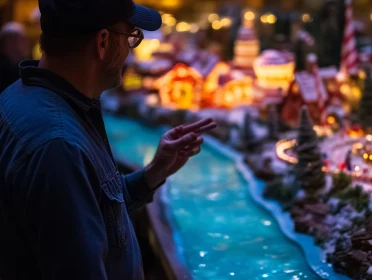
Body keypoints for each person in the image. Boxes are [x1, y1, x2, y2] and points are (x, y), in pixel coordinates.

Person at [0, 0, 217, 279]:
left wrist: (153, 173)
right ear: (103, 42)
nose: (130, 50)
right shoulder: (60, 147)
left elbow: (92, 211)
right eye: (131, 37)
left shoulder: (19, 97)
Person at [0, 22, 30, 92]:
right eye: (22, 39)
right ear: (9, 42)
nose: (26, 43)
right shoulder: (5, 69)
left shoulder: (22, 66)